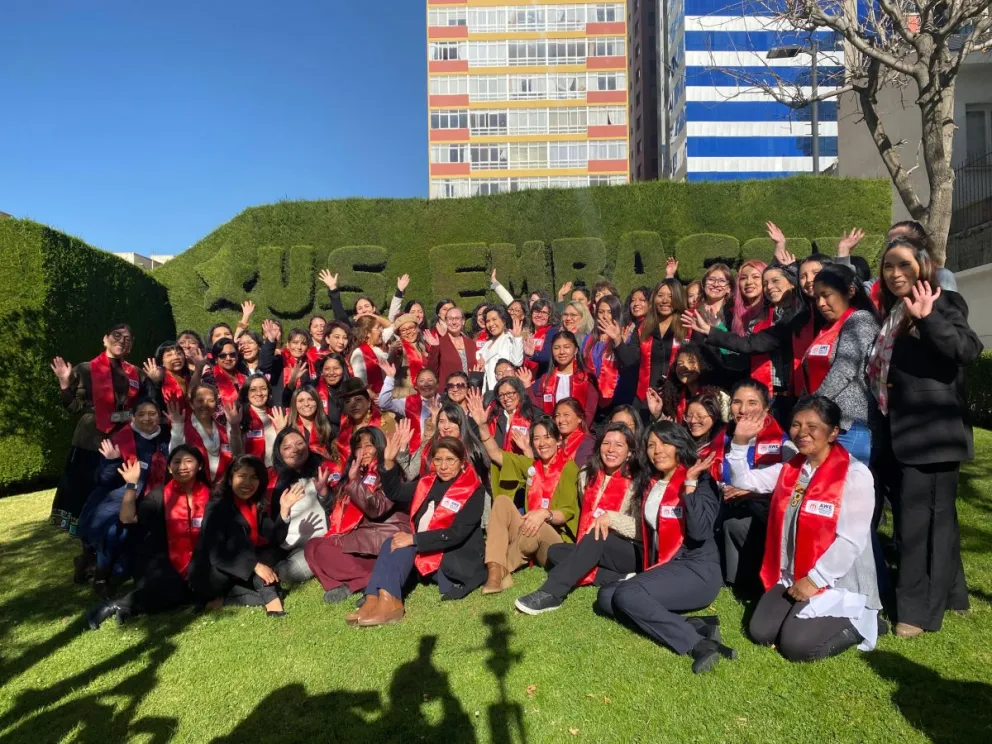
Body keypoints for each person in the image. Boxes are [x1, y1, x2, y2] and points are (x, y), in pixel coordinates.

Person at [868, 236, 983, 637]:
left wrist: (930, 316)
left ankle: (916, 614)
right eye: (888, 267)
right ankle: (954, 596)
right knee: (934, 520)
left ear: (923, 265)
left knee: (921, 526)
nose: (895, 274)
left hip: (932, 435)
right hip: (904, 433)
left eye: (903, 265)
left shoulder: (943, 302)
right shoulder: (893, 312)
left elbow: (968, 350)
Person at [729, 396, 881, 661]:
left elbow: (850, 542)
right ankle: (797, 615)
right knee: (761, 632)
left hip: (837, 580)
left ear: (833, 432)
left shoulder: (854, 475)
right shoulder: (792, 469)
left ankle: (861, 624)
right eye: (796, 425)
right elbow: (745, 480)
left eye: (813, 426)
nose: (802, 433)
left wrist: (815, 580)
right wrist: (740, 441)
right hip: (793, 574)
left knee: (796, 647)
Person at [596, 422, 735, 674]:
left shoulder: (702, 481)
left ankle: (698, 644)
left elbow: (700, 532)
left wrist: (690, 485)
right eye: (651, 445)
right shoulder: (653, 482)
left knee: (626, 595)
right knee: (606, 597)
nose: (657, 450)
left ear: (680, 445)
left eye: (665, 443)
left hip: (698, 570)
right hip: (667, 567)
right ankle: (696, 625)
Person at [348, 435, 487, 626]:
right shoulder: (428, 481)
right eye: (438, 460)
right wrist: (388, 463)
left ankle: (391, 602)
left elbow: (456, 534)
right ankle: (373, 597)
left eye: (450, 460)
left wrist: (414, 540)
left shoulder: (474, 490)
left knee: (404, 543)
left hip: (452, 559)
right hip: (425, 550)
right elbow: (396, 492)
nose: (443, 466)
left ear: (462, 462)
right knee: (392, 541)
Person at [515, 423, 648, 615]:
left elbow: (641, 530)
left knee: (596, 534)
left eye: (619, 445)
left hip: (627, 549)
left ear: (629, 452)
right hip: (593, 545)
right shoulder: (587, 475)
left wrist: (610, 518)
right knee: (555, 552)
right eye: (606, 443)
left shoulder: (638, 481)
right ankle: (619, 577)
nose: (611, 449)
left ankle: (552, 593)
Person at [85, 445, 211, 628]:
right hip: (160, 557)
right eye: (176, 462)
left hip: (198, 556)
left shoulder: (210, 495)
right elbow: (127, 518)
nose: (182, 466)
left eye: (189, 461)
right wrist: (131, 484)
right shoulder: (159, 496)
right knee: (173, 587)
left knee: (199, 585)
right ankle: (115, 605)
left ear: (199, 466)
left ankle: (129, 605)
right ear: (169, 468)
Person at [467, 394, 580, 593]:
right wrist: (483, 426)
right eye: (536, 438)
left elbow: (569, 512)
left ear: (559, 440)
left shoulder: (570, 469)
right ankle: (496, 570)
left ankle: (496, 568)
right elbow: (496, 454)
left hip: (553, 541)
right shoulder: (531, 466)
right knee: (501, 501)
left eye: (547, 437)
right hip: (528, 531)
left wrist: (544, 514)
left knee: (536, 528)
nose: (542, 443)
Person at [50, 324, 144, 543]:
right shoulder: (85, 369)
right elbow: (74, 408)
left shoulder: (136, 373)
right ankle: (86, 550)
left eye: (127, 338)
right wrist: (64, 384)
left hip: (123, 440)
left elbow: (143, 407)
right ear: (105, 339)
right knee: (85, 493)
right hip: (90, 440)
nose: (121, 340)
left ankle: (105, 543)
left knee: (112, 495)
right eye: (116, 336)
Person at [304, 425, 413, 604]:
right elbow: (342, 513)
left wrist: (355, 482)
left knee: (324, 550)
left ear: (380, 446)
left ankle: (371, 579)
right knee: (312, 546)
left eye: (369, 445)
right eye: (359, 446)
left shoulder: (389, 472)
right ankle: (340, 585)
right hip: (359, 536)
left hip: (380, 538)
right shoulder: (357, 472)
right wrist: (324, 493)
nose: (364, 451)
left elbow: (376, 508)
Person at [688, 262, 803, 426]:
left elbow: (751, 344)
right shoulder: (752, 316)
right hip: (753, 391)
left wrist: (712, 330)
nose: (769, 286)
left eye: (757, 278)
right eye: (744, 277)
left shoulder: (795, 312)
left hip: (788, 392)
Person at [77, 398, 171, 597]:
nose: (147, 418)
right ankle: (100, 576)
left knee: (127, 564)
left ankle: (90, 562)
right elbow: (102, 480)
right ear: (133, 417)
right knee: (116, 532)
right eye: (142, 414)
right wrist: (112, 462)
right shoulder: (120, 440)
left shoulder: (164, 438)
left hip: (153, 498)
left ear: (159, 416)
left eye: (152, 414)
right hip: (119, 499)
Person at [719, 380, 795, 594]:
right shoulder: (722, 436)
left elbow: (792, 483)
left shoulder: (783, 442)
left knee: (736, 524)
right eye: (737, 402)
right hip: (726, 500)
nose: (743, 410)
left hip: (766, 510)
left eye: (752, 403)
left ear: (766, 408)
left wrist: (751, 492)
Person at [188, 455, 289, 616]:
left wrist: (284, 511)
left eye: (254, 478)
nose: (248, 483)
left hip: (239, 570)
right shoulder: (217, 507)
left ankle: (228, 600)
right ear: (229, 479)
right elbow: (217, 555)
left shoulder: (255, 505)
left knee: (267, 569)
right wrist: (255, 566)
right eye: (242, 476)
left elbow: (272, 539)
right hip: (212, 575)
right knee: (263, 571)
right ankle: (273, 605)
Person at [801, 263, 880, 463]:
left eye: (826, 295)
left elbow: (845, 369)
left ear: (850, 291)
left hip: (848, 424)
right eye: (817, 297)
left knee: (845, 490)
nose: (820, 303)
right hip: (824, 422)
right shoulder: (827, 328)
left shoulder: (860, 320)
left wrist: (813, 405)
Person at [266, 428, 333, 584]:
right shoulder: (273, 482)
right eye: (287, 447)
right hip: (290, 547)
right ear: (279, 452)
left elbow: (336, 511)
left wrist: (324, 493)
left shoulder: (322, 471)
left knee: (287, 572)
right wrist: (284, 510)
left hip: (322, 542)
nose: (295, 450)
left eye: (299, 444)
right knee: (273, 567)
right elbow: (273, 535)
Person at [614, 279, 688, 412]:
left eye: (670, 296)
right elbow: (630, 360)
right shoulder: (643, 328)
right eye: (660, 296)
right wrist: (617, 341)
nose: (665, 300)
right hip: (644, 400)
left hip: (677, 400)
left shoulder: (687, 327)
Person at [378, 363, 442, 478]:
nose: (426, 384)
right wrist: (390, 378)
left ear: (437, 384)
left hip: (440, 455)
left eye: (430, 380)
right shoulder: (408, 402)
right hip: (415, 457)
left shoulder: (445, 402)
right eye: (422, 381)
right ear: (416, 385)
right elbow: (383, 403)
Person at [523, 330, 598, 427]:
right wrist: (528, 387)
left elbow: (589, 411)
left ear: (575, 350)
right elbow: (538, 408)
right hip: (552, 434)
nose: (562, 352)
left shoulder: (586, 377)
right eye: (556, 348)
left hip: (578, 434)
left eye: (566, 347)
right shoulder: (546, 379)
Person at [167, 384, 240, 484]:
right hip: (195, 489)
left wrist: (235, 427)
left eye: (211, 400)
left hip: (222, 490)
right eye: (200, 401)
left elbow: (237, 455)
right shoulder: (183, 428)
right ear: (192, 404)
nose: (205, 405)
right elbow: (174, 458)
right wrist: (176, 427)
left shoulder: (223, 430)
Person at [584, 295, 633, 411]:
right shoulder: (589, 339)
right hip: (592, 397)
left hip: (617, 397)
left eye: (609, 312)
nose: (605, 316)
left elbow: (628, 365)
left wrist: (618, 342)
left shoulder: (625, 337)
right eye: (601, 312)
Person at [336, 378, 394, 461]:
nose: (353, 404)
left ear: (369, 402)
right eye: (348, 401)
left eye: (358, 399)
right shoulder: (344, 429)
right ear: (344, 408)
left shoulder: (386, 421)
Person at [425, 305, 478, 385]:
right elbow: (431, 371)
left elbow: (475, 369)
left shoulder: (471, 344)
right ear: (446, 322)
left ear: (463, 321)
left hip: (468, 392)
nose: (453, 322)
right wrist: (435, 348)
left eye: (457, 318)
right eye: (450, 319)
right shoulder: (440, 343)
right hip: (448, 392)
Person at [477, 305, 524, 393]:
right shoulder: (487, 343)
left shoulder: (509, 338)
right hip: (486, 391)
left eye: (494, 319)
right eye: (488, 321)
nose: (491, 324)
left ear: (503, 320)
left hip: (503, 390)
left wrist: (517, 338)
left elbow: (517, 361)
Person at [287, 386, 337, 460]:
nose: (306, 404)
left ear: (317, 402)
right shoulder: (289, 429)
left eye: (310, 399)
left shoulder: (328, 427)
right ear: (295, 405)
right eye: (301, 401)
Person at [238, 375, 278, 467]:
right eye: (253, 390)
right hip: (249, 472)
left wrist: (280, 429)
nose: (259, 393)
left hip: (274, 472)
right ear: (246, 394)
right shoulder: (239, 417)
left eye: (263, 389)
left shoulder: (276, 414)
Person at [388, 313, 428, 395]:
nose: (409, 332)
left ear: (416, 329)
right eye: (403, 330)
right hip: (405, 395)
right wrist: (393, 351)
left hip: (423, 391)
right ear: (399, 334)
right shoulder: (398, 347)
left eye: (411, 328)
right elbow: (391, 363)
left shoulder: (421, 346)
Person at [349, 316, 388, 394]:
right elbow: (360, 382)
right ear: (367, 333)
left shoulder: (379, 350)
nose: (382, 330)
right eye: (378, 328)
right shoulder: (359, 353)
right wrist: (372, 395)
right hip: (373, 399)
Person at [203, 339, 246, 409]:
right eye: (223, 356)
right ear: (216, 359)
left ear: (237, 356)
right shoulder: (209, 380)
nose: (228, 358)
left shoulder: (245, 378)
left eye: (232, 354)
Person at [553, 398, 596, 466]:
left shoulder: (588, 444)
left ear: (579, 418)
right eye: (557, 415)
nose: (561, 420)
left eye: (566, 415)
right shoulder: (553, 441)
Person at [313, 353, 352, 424]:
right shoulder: (314, 387)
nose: (331, 373)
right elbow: (287, 401)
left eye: (336, 368)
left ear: (343, 369)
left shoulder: (351, 388)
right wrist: (291, 384)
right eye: (327, 369)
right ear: (322, 371)